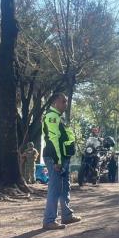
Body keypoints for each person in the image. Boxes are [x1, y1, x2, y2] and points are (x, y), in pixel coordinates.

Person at [42, 93, 81, 230]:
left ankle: (67, 215)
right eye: (63, 101)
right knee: (55, 188)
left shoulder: (59, 117)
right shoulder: (52, 117)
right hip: (55, 157)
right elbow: (53, 140)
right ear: (54, 103)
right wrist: (58, 161)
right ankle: (49, 220)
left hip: (63, 157)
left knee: (65, 186)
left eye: (66, 101)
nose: (65, 104)